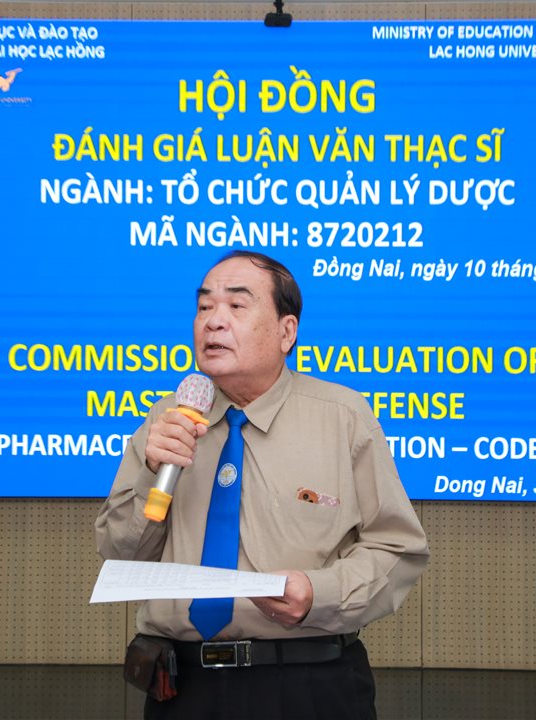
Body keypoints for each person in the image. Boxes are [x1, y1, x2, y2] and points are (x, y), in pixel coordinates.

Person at [96, 251, 429, 719]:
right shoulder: (168, 420)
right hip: (182, 689)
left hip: (309, 684)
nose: (213, 321)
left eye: (236, 306)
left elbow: (397, 548)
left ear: (286, 332)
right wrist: (154, 470)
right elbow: (121, 554)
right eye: (204, 306)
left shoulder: (343, 418)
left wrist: (319, 592)